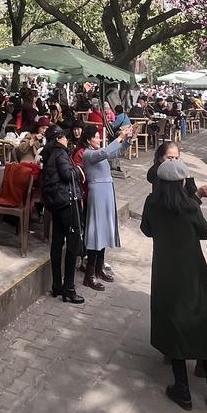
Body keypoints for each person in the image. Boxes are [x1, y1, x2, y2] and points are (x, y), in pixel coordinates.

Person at [141, 157, 207, 412]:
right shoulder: (189, 205)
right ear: (181, 182)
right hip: (192, 270)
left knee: (172, 323)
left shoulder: (152, 203)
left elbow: (146, 229)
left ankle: (182, 389)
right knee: (204, 322)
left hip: (165, 270)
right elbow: (205, 231)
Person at [75, 122, 134, 292]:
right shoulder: (88, 154)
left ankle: (99, 268)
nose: (99, 138)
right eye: (97, 137)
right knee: (95, 233)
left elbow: (117, 152)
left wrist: (128, 140)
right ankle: (90, 274)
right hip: (98, 193)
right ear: (88, 139)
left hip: (106, 191)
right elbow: (106, 152)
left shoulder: (96, 153)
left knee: (103, 231)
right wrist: (120, 137)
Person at [40, 126, 84, 305]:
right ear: (58, 138)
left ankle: (57, 284)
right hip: (66, 203)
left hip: (54, 203)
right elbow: (67, 174)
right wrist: (78, 170)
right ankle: (69, 288)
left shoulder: (48, 152)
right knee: (72, 243)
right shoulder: (60, 153)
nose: (67, 139)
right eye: (64, 137)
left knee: (57, 242)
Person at [0, 136, 41, 208]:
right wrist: (32, 140)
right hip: (25, 170)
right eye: (43, 128)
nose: (45, 130)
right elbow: (21, 149)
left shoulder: (45, 142)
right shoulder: (28, 137)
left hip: (29, 171)